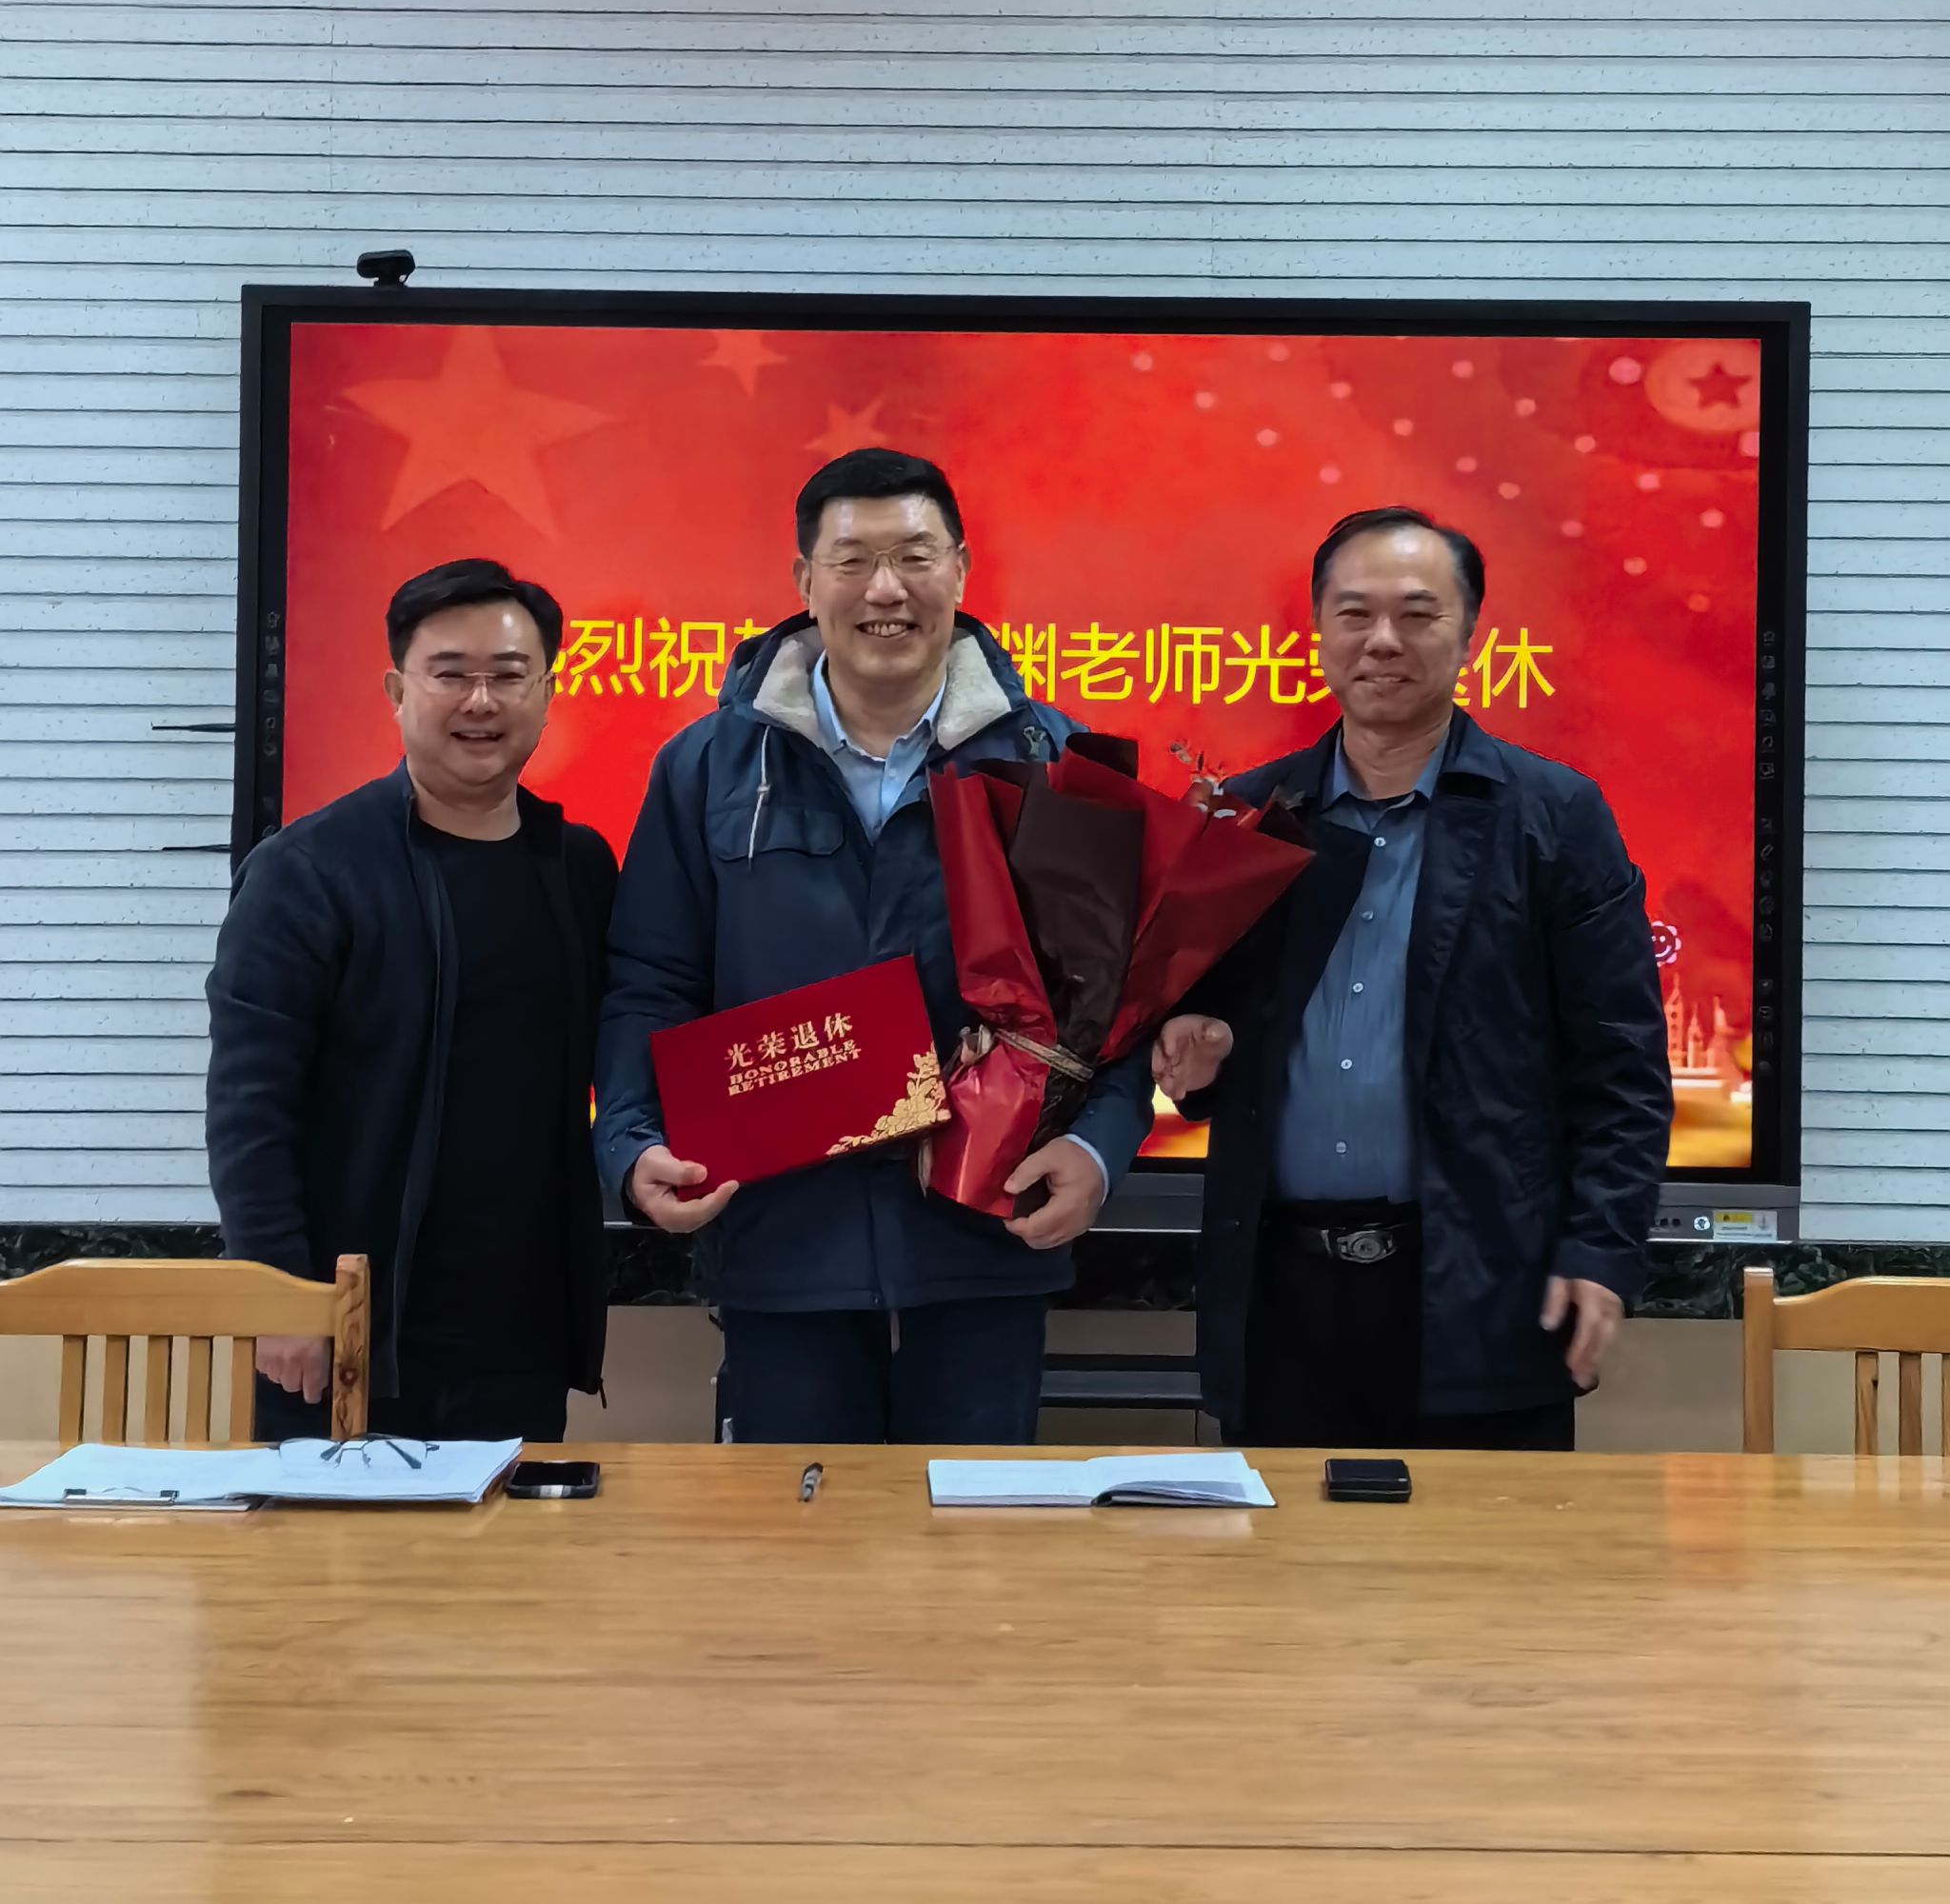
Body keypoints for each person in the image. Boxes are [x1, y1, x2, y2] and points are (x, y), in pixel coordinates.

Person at [593, 446, 1156, 1445]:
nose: (885, 590)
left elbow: (1112, 1001)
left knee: (975, 1536)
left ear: (961, 569)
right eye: (851, 561)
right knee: (799, 1538)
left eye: (914, 557)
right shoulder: (706, 767)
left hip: (984, 1236)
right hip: (780, 1238)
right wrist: (632, 1141)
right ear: (804, 581)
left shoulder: (1052, 763)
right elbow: (652, 978)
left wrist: (1096, 1149)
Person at [1153, 506, 1672, 1451]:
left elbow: (1622, 1069)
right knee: (1284, 1548)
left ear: (1468, 635)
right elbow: (1215, 1035)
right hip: (1280, 1301)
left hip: (1481, 1290)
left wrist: (1601, 1249)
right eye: (1353, 614)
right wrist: (1202, 1046)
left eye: (1416, 614)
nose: (1382, 640)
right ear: (1318, 632)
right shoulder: (1251, 817)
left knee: (1481, 1550)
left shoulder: (1553, 819)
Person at [206, 558, 616, 1441]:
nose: (481, 701)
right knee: (331, 1539)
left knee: (508, 1534)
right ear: (397, 691)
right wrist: (279, 1292)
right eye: (450, 674)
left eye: (509, 676)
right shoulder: (308, 872)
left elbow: (632, 1041)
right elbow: (249, 1104)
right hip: (351, 1327)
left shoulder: (578, 867)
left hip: (521, 1328)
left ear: (547, 694)